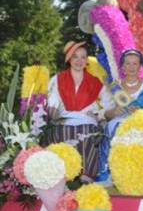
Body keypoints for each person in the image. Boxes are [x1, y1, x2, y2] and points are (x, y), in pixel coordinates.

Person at [46, 41, 109, 181]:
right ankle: (62, 176)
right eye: (75, 56)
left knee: (89, 134)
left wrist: (99, 114)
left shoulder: (95, 81)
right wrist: (51, 112)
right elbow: (53, 103)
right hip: (64, 121)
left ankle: (86, 177)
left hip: (88, 120)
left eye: (83, 57)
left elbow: (108, 104)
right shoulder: (57, 79)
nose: (79, 61)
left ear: (87, 60)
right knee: (57, 134)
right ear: (69, 59)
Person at [97, 49, 143, 182]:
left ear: (140, 66)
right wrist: (114, 112)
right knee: (114, 126)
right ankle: (111, 174)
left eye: (135, 64)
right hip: (117, 123)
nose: (131, 67)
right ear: (122, 66)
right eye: (128, 64)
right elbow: (105, 114)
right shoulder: (113, 87)